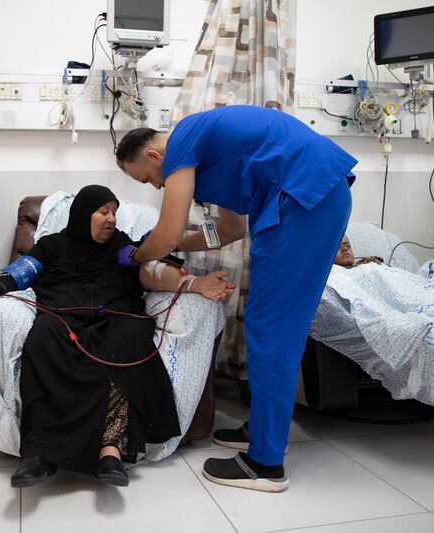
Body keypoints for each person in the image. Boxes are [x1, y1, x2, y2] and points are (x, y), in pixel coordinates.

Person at [115, 105, 357, 492]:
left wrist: (139, 254)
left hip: (302, 202)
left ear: (154, 156)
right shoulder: (210, 158)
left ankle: (265, 464)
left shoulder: (182, 141)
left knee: (270, 330)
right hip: (310, 198)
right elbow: (226, 230)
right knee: (273, 327)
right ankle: (264, 430)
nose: (157, 187)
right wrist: (168, 247)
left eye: (149, 179)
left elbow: (167, 229)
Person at [0, 185, 235, 488]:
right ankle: (38, 454)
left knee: (131, 334)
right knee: (41, 335)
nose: (111, 219)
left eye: (115, 213)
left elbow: (152, 272)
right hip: (62, 322)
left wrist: (196, 284)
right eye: (103, 211)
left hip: (118, 321)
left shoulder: (122, 248)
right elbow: (18, 273)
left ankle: (111, 452)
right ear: (82, 214)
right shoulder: (52, 246)